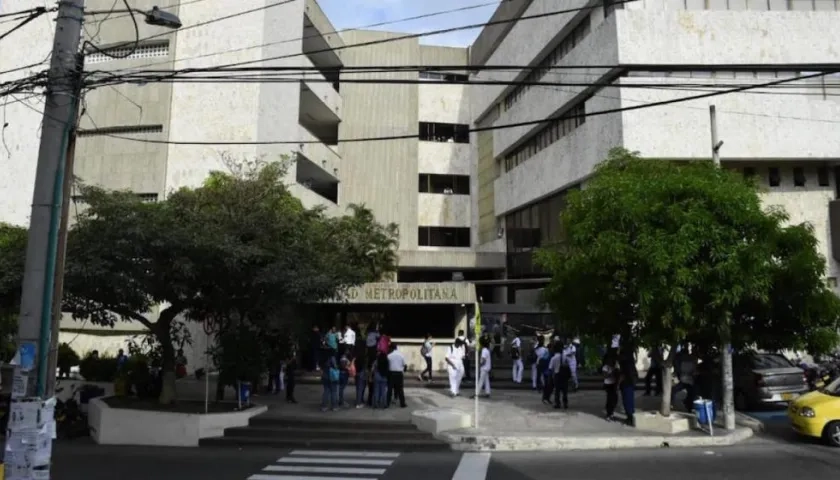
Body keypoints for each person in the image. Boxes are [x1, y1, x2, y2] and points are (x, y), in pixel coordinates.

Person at [618, 348, 638, 426]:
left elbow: (623, 375)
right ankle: (630, 417)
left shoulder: (625, 363)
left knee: (627, 401)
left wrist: (617, 384)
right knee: (630, 400)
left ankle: (630, 419)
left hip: (626, 383)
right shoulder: (630, 363)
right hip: (630, 383)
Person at [386, 343, 407, 408]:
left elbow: (387, 365)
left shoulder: (389, 356)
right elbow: (405, 365)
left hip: (391, 374)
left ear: (391, 348)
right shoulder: (401, 355)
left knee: (389, 389)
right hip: (399, 374)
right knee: (400, 389)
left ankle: (387, 403)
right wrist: (403, 371)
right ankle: (402, 403)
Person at [602, 350, 619, 421]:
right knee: (610, 399)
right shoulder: (605, 367)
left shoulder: (615, 366)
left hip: (614, 384)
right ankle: (609, 414)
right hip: (608, 384)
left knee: (615, 399)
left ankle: (611, 412)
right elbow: (605, 376)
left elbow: (617, 375)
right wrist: (612, 373)